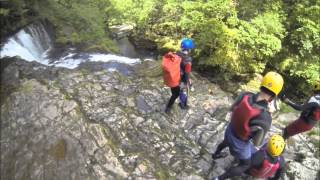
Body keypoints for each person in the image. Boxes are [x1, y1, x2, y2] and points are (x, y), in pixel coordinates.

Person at [211, 72, 284, 180]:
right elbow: (256, 143)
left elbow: (232, 109)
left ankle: (216, 154)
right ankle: (219, 178)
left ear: (262, 84)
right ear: (273, 97)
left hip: (230, 130)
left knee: (226, 141)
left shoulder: (245, 95)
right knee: (245, 164)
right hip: (240, 142)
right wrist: (270, 115)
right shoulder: (265, 118)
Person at [165, 38, 194, 113]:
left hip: (172, 78)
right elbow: (187, 73)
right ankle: (182, 105)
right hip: (179, 80)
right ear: (189, 49)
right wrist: (187, 83)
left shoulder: (176, 54)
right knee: (180, 92)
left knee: (174, 94)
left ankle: (168, 107)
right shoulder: (188, 61)